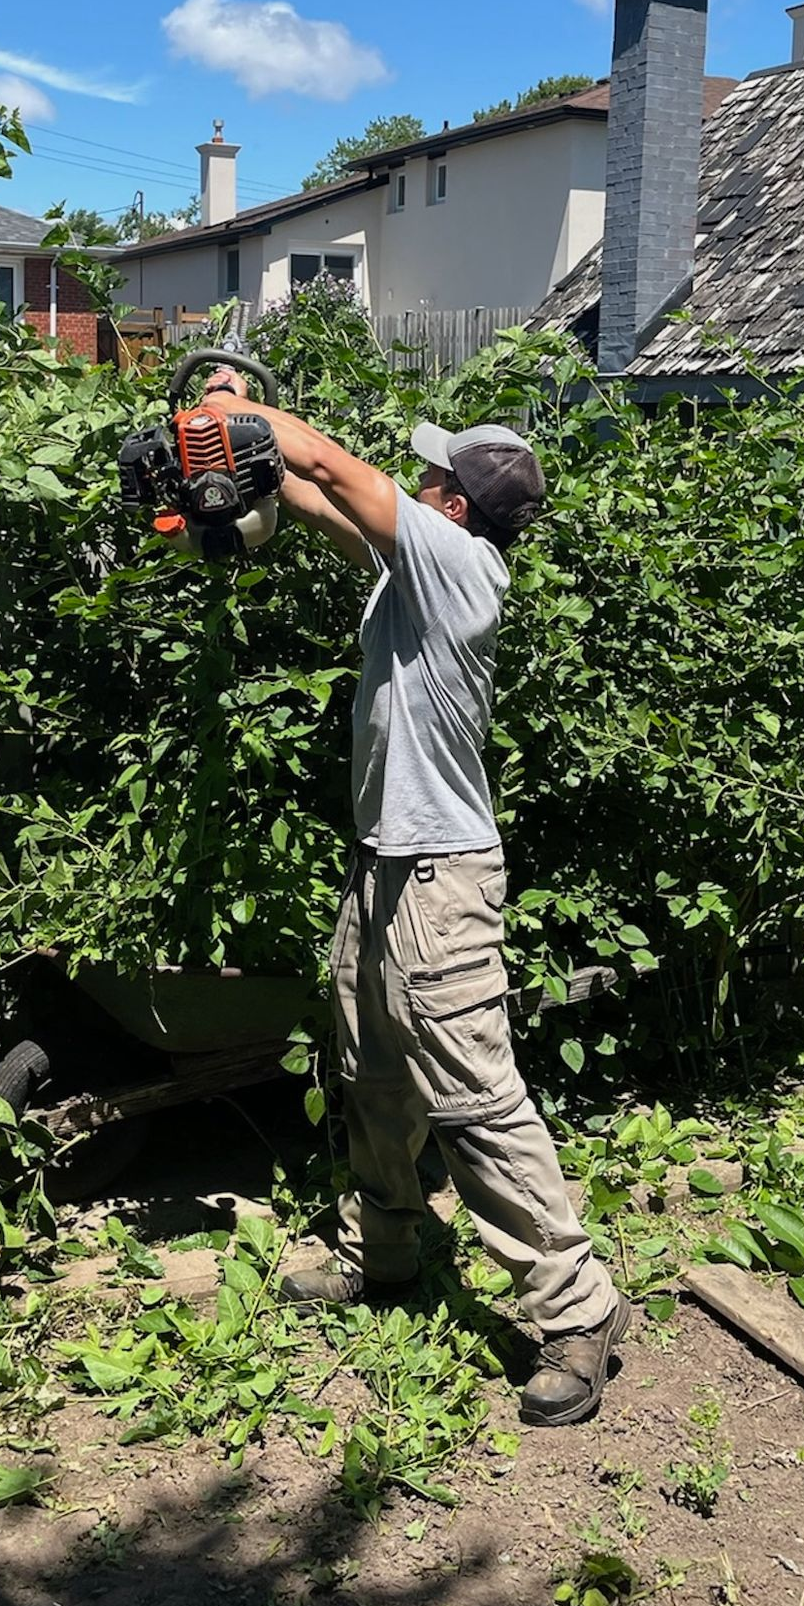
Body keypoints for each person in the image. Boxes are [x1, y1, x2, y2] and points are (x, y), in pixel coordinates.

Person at [196, 370, 629, 1427]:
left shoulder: (460, 568)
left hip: (441, 880)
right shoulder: (413, 569)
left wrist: (227, 413)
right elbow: (318, 497)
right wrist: (246, 461)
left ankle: (577, 1310)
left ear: (455, 505)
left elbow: (333, 465)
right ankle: (385, 1253)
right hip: (385, 866)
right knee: (377, 1076)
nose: (421, 477)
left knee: (475, 1098)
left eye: (435, 472)